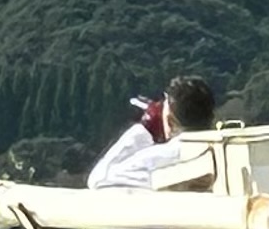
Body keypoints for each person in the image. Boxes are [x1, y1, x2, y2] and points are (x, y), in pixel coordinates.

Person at [85, 72, 216, 193]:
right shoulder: (220, 152)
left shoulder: (164, 157)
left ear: (169, 120)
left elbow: (99, 180)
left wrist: (146, 127)